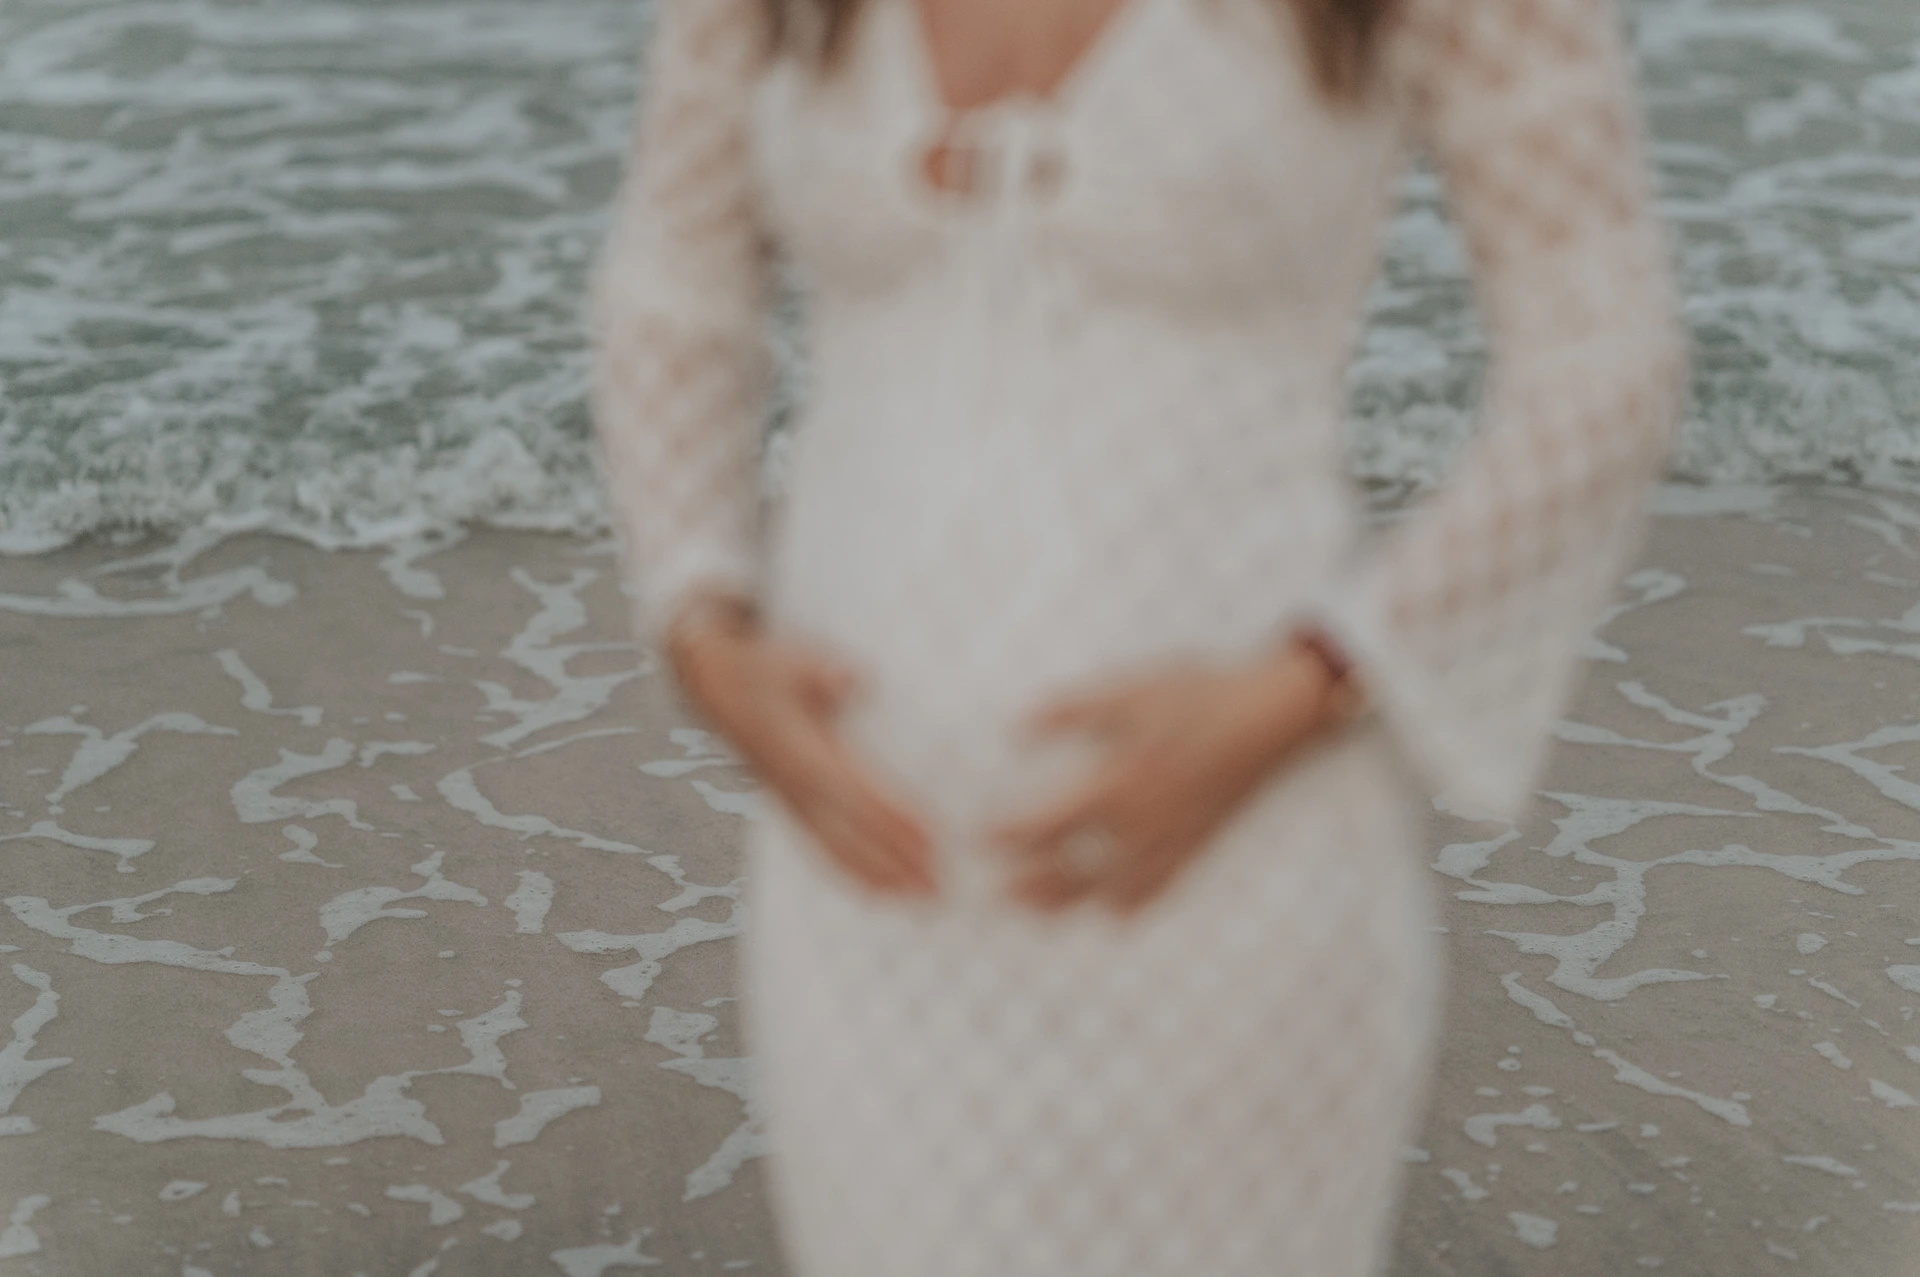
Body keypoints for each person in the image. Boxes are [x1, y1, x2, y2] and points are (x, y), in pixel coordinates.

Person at [590, 0, 1685, 1270]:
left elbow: (1603, 364)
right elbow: (674, 290)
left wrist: (1317, 678)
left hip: (1227, 867)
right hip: (868, 895)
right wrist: (703, 628)